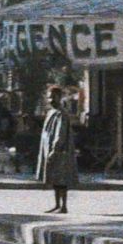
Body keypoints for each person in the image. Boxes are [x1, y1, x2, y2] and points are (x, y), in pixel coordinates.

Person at [36, 84, 79, 213]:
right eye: (49, 98)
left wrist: (54, 149)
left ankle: (64, 205)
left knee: (62, 179)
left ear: (59, 97)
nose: (50, 100)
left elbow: (60, 134)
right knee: (54, 178)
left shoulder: (61, 114)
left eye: (53, 97)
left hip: (60, 152)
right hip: (49, 150)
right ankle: (56, 204)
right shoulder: (51, 113)